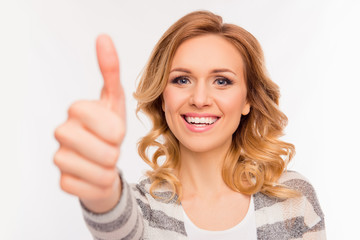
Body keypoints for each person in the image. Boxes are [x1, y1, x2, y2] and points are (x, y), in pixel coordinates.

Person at [53, 10, 326, 239]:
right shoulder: (144, 210)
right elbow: (115, 217)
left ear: (248, 100)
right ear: (162, 97)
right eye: (182, 80)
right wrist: (102, 187)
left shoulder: (293, 200)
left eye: (222, 81)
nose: (199, 99)